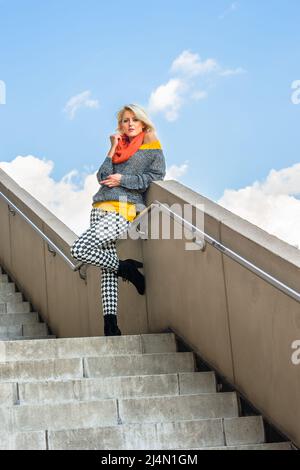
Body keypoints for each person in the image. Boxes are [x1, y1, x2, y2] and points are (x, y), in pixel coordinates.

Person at [70, 104, 166, 336]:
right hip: (99, 209)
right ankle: (111, 327)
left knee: (78, 249)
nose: (130, 124)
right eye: (125, 120)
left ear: (143, 123)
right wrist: (112, 148)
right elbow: (102, 177)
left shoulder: (152, 149)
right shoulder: (119, 146)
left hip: (123, 210)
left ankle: (128, 269)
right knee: (107, 270)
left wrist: (123, 179)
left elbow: (155, 177)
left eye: (134, 119)